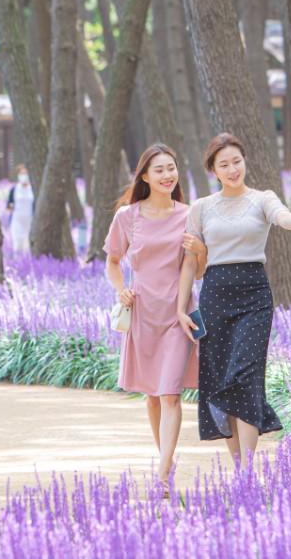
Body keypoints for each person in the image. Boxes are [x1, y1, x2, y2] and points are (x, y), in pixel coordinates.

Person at [176, 133, 291, 470]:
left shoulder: (261, 199)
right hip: (214, 297)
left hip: (254, 295)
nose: (232, 169)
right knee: (221, 379)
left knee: (247, 375)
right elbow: (190, 264)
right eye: (223, 164)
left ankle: (249, 471)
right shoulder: (202, 208)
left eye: (236, 161)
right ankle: (240, 468)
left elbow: (281, 215)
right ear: (213, 169)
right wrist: (181, 309)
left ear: (245, 161)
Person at [104, 143, 208, 495]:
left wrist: (202, 253)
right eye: (159, 169)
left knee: (170, 395)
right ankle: (166, 458)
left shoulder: (190, 214)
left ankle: (163, 473)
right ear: (145, 176)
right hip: (143, 315)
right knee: (151, 395)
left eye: (172, 168)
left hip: (178, 314)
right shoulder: (127, 217)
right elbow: (113, 261)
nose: (167, 175)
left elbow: (196, 270)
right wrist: (121, 290)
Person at [6, 164, 34, 253]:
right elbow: (9, 206)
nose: (23, 176)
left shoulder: (33, 189)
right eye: (21, 174)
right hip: (17, 219)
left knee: (28, 244)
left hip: (30, 220)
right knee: (18, 243)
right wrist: (10, 207)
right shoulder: (14, 190)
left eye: (25, 174)